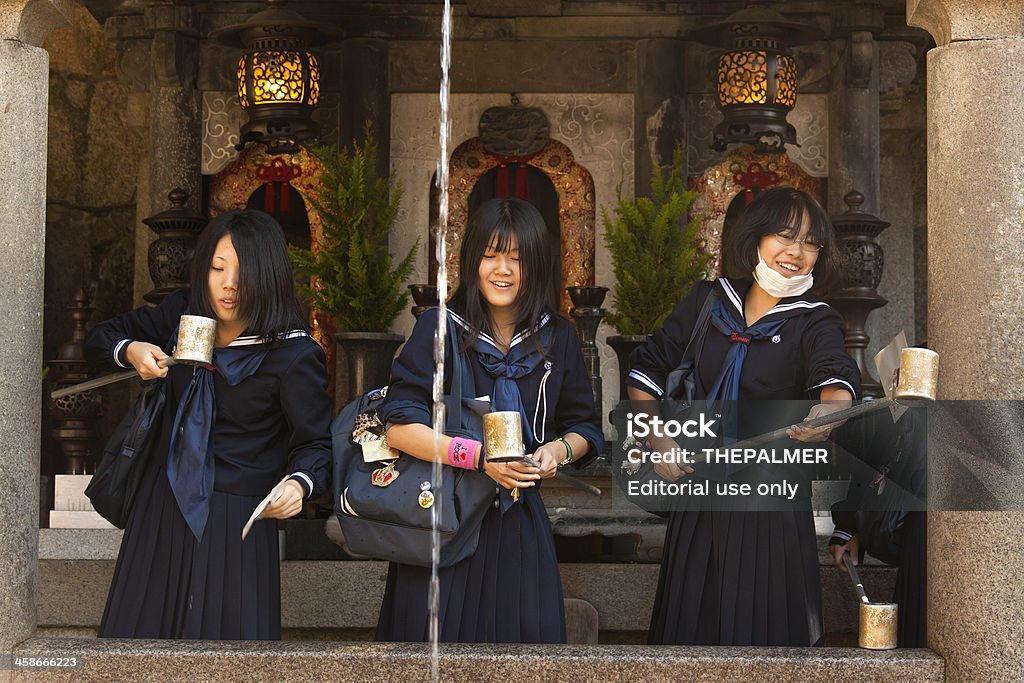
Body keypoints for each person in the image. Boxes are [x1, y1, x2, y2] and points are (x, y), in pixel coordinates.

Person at [626, 187, 861, 646]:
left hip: (769, 507)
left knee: (764, 631)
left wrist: (826, 413)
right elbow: (644, 371)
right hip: (697, 493)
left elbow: (837, 384)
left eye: (810, 243)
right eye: (785, 235)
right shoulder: (708, 302)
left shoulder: (815, 320)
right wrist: (659, 439)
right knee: (689, 631)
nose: (796, 252)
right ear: (755, 237)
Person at [85, 209, 332, 639]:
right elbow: (100, 338)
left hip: (236, 514)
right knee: (138, 639)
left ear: (269, 275)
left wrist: (298, 484)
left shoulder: (294, 354)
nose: (228, 284)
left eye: (243, 271)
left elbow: (315, 445)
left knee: (227, 647)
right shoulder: (184, 314)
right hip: (162, 502)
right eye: (218, 268)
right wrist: (132, 350)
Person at [374, 197, 604, 643]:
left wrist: (557, 451)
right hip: (444, 519)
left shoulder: (557, 336)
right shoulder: (439, 329)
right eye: (491, 255)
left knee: (523, 654)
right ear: (471, 260)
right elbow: (399, 427)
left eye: (517, 259)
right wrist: (479, 458)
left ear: (536, 265)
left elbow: (586, 429)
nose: (503, 270)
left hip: (519, 526)